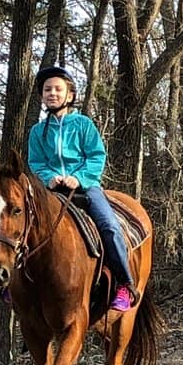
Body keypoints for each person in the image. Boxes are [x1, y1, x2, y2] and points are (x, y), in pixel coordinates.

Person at [26, 65, 138, 312]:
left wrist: (79, 178)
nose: (52, 93)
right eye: (47, 90)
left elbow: (96, 156)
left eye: (58, 89)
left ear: (70, 95)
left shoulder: (83, 125)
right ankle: (16, 285)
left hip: (85, 188)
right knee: (22, 225)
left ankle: (124, 284)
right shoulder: (37, 132)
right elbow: (35, 162)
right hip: (50, 190)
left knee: (109, 226)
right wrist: (49, 178)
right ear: (41, 95)